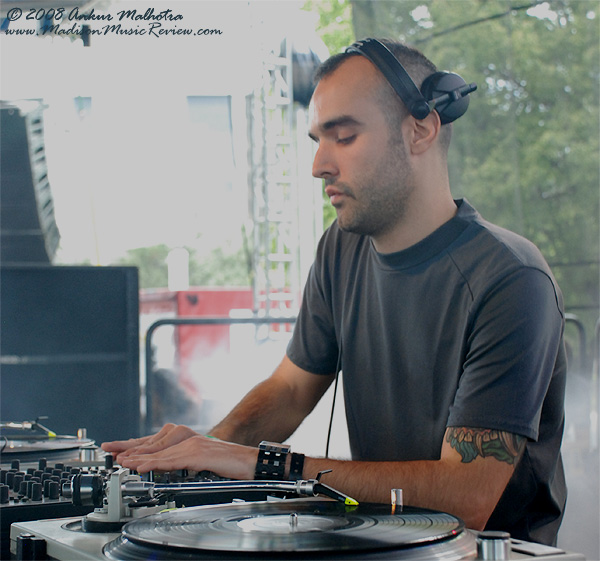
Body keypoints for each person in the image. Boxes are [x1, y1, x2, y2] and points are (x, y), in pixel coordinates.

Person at [102, 38, 567, 546]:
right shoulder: (340, 249)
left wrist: (263, 463)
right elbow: (291, 389)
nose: (319, 165)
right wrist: (204, 447)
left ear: (422, 130)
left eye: (343, 137)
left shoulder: (511, 279)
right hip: (377, 543)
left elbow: (467, 496)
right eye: (316, 141)